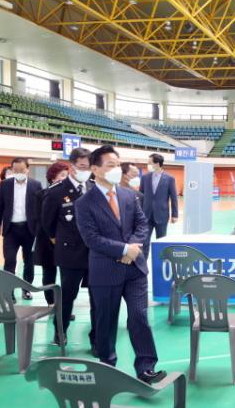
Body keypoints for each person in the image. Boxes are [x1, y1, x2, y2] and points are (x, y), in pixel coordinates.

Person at [76, 145, 165, 383]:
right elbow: (91, 238)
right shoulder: (85, 203)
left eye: (118, 165)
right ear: (95, 169)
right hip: (105, 271)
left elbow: (142, 225)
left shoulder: (128, 195)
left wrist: (132, 248)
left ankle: (146, 367)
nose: (116, 169)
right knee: (106, 322)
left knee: (139, 316)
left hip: (135, 270)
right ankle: (107, 367)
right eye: (110, 165)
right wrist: (124, 249)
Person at [43, 148, 96, 350]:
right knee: (67, 296)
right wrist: (58, 240)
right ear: (72, 166)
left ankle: (97, 337)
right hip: (70, 254)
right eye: (82, 166)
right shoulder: (56, 191)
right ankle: (60, 331)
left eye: (89, 167)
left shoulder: (94, 188)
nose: (85, 170)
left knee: (97, 298)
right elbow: (47, 223)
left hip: (94, 253)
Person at [0, 158, 43, 299]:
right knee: (9, 261)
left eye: (22, 170)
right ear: (12, 170)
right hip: (11, 230)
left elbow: (40, 208)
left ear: (27, 169)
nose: (19, 173)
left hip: (29, 229)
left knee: (29, 261)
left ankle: (26, 289)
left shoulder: (36, 185)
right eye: (15, 170)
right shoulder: (5, 184)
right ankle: (8, 292)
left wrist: (40, 228)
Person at [34, 162, 69, 306]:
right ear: (53, 177)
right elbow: (41, 218)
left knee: (67, 275)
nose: (65, 179)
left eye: (67, 175)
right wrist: (52, 237)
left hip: (66, 240)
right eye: (62, 175)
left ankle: (65, 306)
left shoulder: (70, 195)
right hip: (47, 239)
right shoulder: (41, 194)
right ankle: (51, 303)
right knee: (48, 272)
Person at [139, 153, 178, 260]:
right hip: (145, 215)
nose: (148, 165)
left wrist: (175, 215)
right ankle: (143, 263)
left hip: (162, 215)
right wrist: (138, 213)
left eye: (150, 163)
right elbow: (141, 195)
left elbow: (174, 197)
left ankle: (161, 263)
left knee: (161, 241)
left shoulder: (170, 178)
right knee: (144, 242)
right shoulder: (145, 177)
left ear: (157, 164)